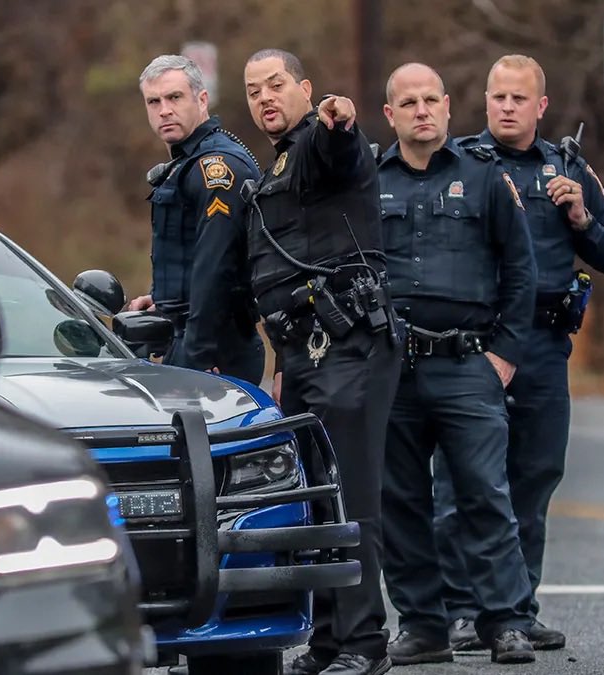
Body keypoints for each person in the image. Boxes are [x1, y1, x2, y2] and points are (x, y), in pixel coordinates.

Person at [434, 53, 604, 653]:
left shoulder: (567, 168)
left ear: (541, 106)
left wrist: (580, 218)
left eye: (520, 99)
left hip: (544, 344)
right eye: (498, 97)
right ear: (485, 101)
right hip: (477, 345)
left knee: (534, 478)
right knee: (463, 482)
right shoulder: (458, 165)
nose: (508, 107)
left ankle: (515, 609)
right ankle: (464, 612)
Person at [242, 48, 402, 675]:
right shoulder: (271, 169)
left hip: (351, 346)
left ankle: (366, 644)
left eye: (276, 85)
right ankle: (331, 641)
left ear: (305, 89)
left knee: (353, 499)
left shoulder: (320, 145)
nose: (265, 98)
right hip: (302, 353)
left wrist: (340, 121)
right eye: (254, 91)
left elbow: (341, 148)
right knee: (318, 500)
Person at [376, 63, 539, 667]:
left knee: (483, 495)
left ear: (447, 106)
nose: (421, 110)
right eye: (407, 102)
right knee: (402, 501)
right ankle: (423, 624)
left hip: (470, 363)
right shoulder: (371, 181)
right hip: (393, 366)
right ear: (390, 114)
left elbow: (522, 270)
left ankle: (505, 621)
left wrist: (504, 354)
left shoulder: (486, 180)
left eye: (430, 100)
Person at [129, 54, 265, 383]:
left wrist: (199, 353)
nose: (164, 110)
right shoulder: (187, 163)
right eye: (153, 101)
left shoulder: (214, 166)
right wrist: (162, 296)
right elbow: (188, 249)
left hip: (217, 345)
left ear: (201, 99)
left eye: (174, 97)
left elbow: (216, 262)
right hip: (190, 335)